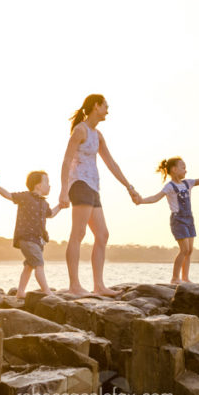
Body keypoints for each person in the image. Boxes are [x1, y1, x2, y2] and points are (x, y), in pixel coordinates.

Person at [58, 94, 140, 296]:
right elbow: (66, 161)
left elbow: (111, 163)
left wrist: (129, 187)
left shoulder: (98, 134)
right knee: (78, 233)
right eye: (105, 106)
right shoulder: (80, 131)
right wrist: (63, 190)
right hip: (79, 184)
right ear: (96, 106)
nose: (108, 110)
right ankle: (74, 285)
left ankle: (99, 286)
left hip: (93, 187)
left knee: (102, 234)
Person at [134, 157, 199, 284]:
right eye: (183, 167)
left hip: (189, 218)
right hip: (178, 220)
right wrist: (141, 201)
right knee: (184, 249)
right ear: (174, 169)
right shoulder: (170, 186)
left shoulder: (187, 183)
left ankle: (185, 277)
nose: (186, 170)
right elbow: (155, 198)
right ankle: (175, 278)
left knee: (190, 250)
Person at [0, 171, 64, 297]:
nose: (49, 185)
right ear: (38, 185)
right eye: (47, 182)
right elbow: (8, 195)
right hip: (26, 237)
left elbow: (50, 214)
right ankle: (46, 291)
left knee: (29, 265)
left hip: (38, 239)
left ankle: (20, 292)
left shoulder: (44, 203)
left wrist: (60, 206)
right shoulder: (26, 197)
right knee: (39, 264)